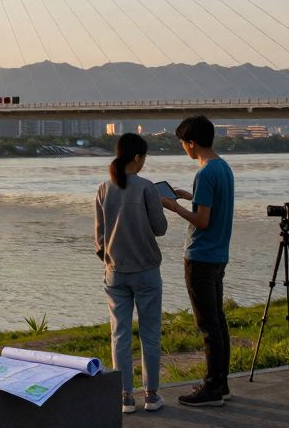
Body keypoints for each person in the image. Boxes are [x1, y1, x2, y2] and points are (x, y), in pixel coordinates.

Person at [160, 114, 234, 407]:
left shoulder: (204, 172)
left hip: (201, 257)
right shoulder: (222, 167)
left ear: (192, 142)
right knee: (219, 323)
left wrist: (172, 206)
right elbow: (212, 206)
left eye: (183, 143)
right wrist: (187, 196)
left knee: (207, 326)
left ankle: (212, 389)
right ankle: (221, 383)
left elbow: (202, 221)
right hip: (219, 256)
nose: (184, 149)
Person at [94, 132, 168, 414]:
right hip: (146, 270)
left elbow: (99, 239)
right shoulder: (148, 188)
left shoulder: (103, 188)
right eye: (144, 158)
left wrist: (109, 260)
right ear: (137, 158)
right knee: (149, 334)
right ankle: (151, 395)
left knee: (119, 334)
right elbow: (160, 228)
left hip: (115, 272)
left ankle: (125, 396)